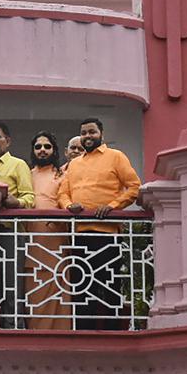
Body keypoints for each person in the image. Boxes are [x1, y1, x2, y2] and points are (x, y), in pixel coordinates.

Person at [56, 117, 142, 330]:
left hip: (107, 233)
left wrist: (112, 206)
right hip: (79, 234)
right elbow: (62, 193)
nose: (87, 136)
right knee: (81, 285)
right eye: (84, 133)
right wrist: (69, 206)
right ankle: (84, 331)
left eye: (91, 132)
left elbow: (134, 187)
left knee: (109, 284)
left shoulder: (115, 157)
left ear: (101, 134)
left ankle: (113, 330)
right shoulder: (74, 164)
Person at [0, 122, 34, 327]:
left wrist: (16, 202)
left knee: (12, 284)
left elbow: (30, 198)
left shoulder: (18, 165)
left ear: (8, 141)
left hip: (10, 232)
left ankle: (15, 329)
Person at [24, 131, 70, 330]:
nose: (42, 150)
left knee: (58, 283)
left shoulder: (62, 175)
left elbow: (67, 199)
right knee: (33, 288)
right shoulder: (26, 174)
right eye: (38, 147)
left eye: (47, 146)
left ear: (54, 150)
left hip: (55, 237)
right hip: (30, 239)